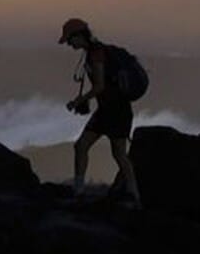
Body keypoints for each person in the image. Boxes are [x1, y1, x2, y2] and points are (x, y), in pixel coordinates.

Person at [60, 17, 142, 208]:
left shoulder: (96, 54)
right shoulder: (94, 52)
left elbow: (99, 86)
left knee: (116, 153)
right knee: (91, 148)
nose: (69, 44)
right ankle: (131, 193)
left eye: (70, 39)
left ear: (79, 36)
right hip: (109, 110)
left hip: (115, 111)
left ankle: (133, 194)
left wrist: (78, 101)